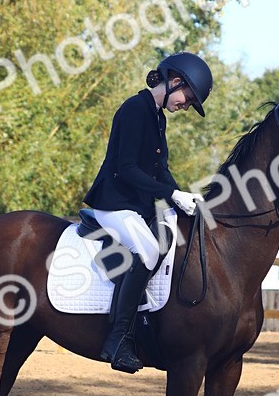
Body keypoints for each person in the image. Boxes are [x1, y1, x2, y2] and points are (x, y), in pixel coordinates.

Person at [83, 52, 213, 372]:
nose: (186, 105)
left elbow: (160, 170)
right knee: (149, 249)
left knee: (173, 235)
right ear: (175, 81)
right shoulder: (134, 109)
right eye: (187, 98)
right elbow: (127, 169)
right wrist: (171, 194)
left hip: (136, 206)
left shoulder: (157, 116)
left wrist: (183, 198)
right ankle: (117, 339)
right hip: (113, 203)